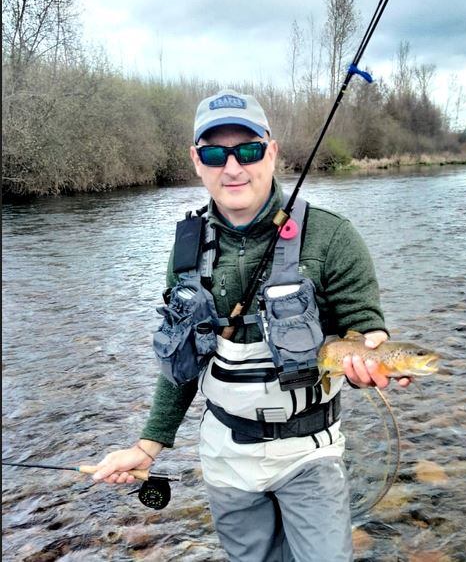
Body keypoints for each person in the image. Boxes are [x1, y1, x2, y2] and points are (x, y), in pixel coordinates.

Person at [93, 89, 409, 562]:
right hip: (225, 457)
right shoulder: (185, 251)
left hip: (310, 453)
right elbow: (182, 362)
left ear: (273, 151)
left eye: (249, 150)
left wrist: (376, 354)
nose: (233, 167)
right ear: (196, 161)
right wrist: (149, 444)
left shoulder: (332, 236)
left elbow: (365, 325)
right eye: (216, 153)